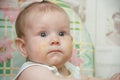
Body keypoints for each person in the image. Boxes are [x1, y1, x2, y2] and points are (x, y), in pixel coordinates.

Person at [14, 0, 120, 80]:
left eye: (61, 33)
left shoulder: (71, 69)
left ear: (71, 40)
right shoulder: (32, 71)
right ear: (24, 47)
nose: (55, 40)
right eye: (43, 34)